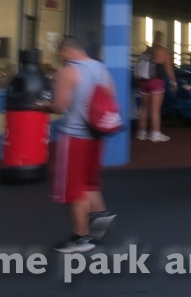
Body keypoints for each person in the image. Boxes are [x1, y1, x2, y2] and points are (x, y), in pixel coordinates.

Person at [49, 36, 117, 253]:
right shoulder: (100, 68)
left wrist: (44, 105)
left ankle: (81, 237)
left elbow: (60, 106)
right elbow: (111, 97)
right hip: (96, 134)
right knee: (88, 182)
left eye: (60, 52)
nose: (59, 56)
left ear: (66, 49)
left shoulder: (68, 71)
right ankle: (101, 216)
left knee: (74, 188)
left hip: (75, 136)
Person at [135, 33, 177, 142]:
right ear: (162, 39)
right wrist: (173, 82)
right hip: (156, 82)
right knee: (155, 109)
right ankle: (155, 134)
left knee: (144, 108)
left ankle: (142, 133)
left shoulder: (146, 51)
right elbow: (168, 68)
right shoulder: (163, 51)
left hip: (144, 82)